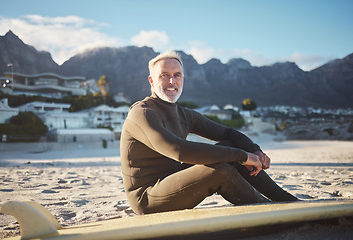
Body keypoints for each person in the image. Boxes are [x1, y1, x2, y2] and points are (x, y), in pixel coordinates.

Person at [120, 50, 298, 215]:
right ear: (152, 81)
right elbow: (178, 151)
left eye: (177, 75)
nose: (172, 81)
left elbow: (228, 133)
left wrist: (254, 150)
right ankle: (269, 211)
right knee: (220, 169)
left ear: (183, 79)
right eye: (164, 75)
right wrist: (242, 156)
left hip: (172, 179)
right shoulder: (141, 112)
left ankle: (287, 201)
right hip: (147, 196)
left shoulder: (184, 114)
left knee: (230, 147)